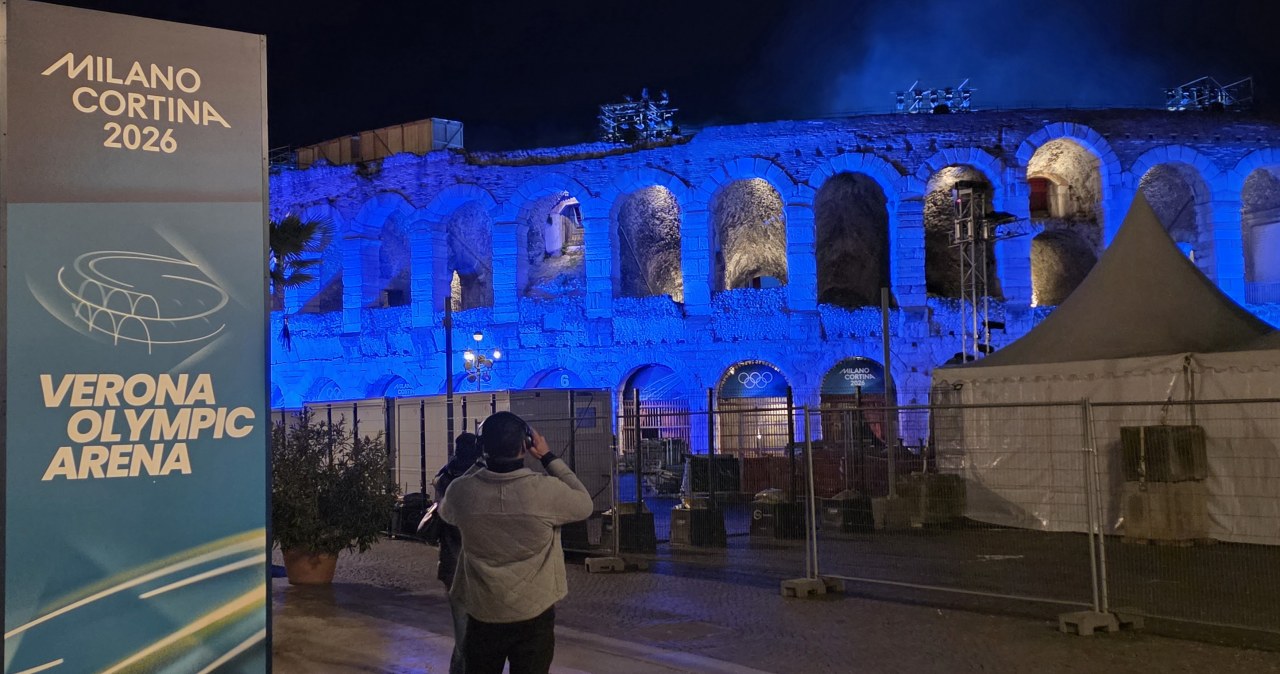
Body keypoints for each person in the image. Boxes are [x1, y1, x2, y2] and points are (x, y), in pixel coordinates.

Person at [439, 411, 594, 674]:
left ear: (482, 447)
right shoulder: (545, 492)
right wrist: (547, 457)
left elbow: (446, 511)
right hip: (534, 612)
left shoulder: (461, 492)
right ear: (525, 444)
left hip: (483, 612)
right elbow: (584, 503)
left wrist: (480, 460)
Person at [433, 432, 482, 674]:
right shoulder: (474, 481)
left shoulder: (445, 477)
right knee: (471, 635)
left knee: (464, 633)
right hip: (472, 568)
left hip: (452, 567)